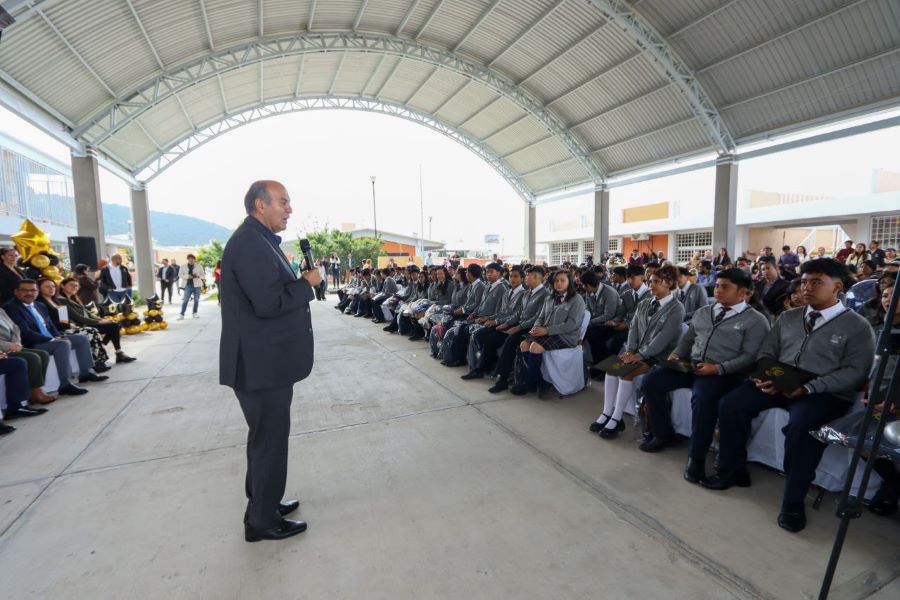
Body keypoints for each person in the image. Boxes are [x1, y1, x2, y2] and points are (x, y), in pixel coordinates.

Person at [703, 259, 875, 533]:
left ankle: (793, 500)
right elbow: (767, 353)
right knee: (731, 404)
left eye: (816, 281)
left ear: (838, 287)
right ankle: (731, 470)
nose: (806, 288)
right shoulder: (789, 317)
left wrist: (809, 388)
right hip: (780, 381)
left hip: (824, 391)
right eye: (804, 281)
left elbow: (855, 372)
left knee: (802, 426)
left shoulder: (857, 326)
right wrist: (767, 377)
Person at [220, 180, 320, 542]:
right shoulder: (250, 244)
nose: (289, 208)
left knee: (264, 438)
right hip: (261, 365)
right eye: (283, 201)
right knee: (270, 441)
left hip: (265, 362)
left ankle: (264, 504)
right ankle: (262, 522)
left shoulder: (258, 241)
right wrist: (306, 284)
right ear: (260, 205)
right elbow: (268, 303)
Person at [640, 269, 768, 461]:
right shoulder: (704, 312)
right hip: (693, 366)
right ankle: (663, 433)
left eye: (725, 287)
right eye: (716, 286)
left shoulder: (756, 320)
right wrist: (676, 355)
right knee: (652, 380)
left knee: (702, 398)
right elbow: (687, 340)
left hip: (724, 374)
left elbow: (749, 357)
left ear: (743, 292)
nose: (717, 290)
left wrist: (718, 368)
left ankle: (696, 456)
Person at [593, 265, 684, 438]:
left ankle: (617, 418)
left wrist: (640, 355)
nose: (652, 286)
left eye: (657, 282)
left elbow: (663, 339)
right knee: (611, 368)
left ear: (669, 283)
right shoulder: (644, 303)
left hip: (659, 356)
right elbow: (633, 329)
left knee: (625, 373)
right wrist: (630, 350)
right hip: (637, 352)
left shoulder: (676, 308)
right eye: (650, 282)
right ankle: (607, 412)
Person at [3, 279, 94, 395]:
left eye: (33, 290)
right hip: (32, 343)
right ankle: (65, 384)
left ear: (37, 292)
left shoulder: (40, 305)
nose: (29, 293)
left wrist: (58, 336)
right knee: (62, 344)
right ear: (16, 292)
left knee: (81, 339)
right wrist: (52, 339)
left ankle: (85, 373)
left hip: (50, 338)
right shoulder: (11, 307)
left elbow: (50, 325)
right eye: (24, 290)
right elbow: (25, 332)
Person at [511, 269, 586, 396]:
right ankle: (536, 380)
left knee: (535, 347)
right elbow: (540, 317)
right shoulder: (550, 298)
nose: (559, 283)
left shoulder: (576, 299)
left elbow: (572, 324)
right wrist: (535, 329)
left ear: (570, 282)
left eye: (563, 280)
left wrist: (547, 330)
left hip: (565, 336)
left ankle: (530, 383)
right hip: (546, 333)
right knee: (524, 345)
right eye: (556, 280)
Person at [37, 278, 113, 373]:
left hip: (67, 326)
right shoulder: (40, 303)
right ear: (39, 288)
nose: (51, 288)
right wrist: (67, 325)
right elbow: (48, 322)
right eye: (47, 286)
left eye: (52, 286)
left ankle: (99, 362)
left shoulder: (55, 300)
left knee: (92, 330)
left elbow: (64, 316)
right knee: (91, 331)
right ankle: (97, 363)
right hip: (58, 330)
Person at [59, 277, 136, 365]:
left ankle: (117, 352)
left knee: (115, 324)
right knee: (113, 326)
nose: (74, 287)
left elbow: (89, 313)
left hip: (87, 323)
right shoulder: (61, 300)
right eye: (71, 285)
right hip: (81, 326)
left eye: (76, 286)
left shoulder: (73, 299)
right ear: (62, 286)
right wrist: (99, 322)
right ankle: (113, 351)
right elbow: (78, 317)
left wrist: (102, 319)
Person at [0, 306, 56, 407]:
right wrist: (8, 345)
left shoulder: (1, 310)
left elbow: (15, 327)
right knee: (32, 358)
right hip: (3, 348)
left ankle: (35, 390)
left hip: (13, 345)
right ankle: (35, 393)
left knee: (43, 354)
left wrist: (16, 342)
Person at [177, 254, 205, 320]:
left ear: (194, 259)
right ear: (187, 259)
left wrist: (198, 276)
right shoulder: (183, 266)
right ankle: (182, 314)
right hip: (188, 285)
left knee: (196, 300)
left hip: (197, 285)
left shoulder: (199, 266)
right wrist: (188, 276)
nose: (191, 260)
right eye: (189, 258)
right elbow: (180, 275)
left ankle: (195, 313)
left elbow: (203, 275)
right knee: (185, 300)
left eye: (192, 258)